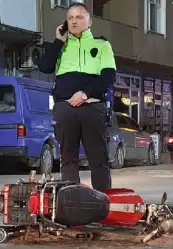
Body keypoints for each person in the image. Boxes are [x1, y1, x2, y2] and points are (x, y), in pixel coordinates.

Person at [38, 2, 116, 191]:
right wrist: (58, 41)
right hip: (65, 108)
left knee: (98, 158)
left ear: (89, 22)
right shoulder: (60, 47)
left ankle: (102, 201)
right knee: (68, 158)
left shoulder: (102, 44)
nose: (74, 21)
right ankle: (72, 204)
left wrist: (85, 93)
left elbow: (108, 76)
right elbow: (45, 67)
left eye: (79, 17)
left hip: (92, 107)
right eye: (70, 17)